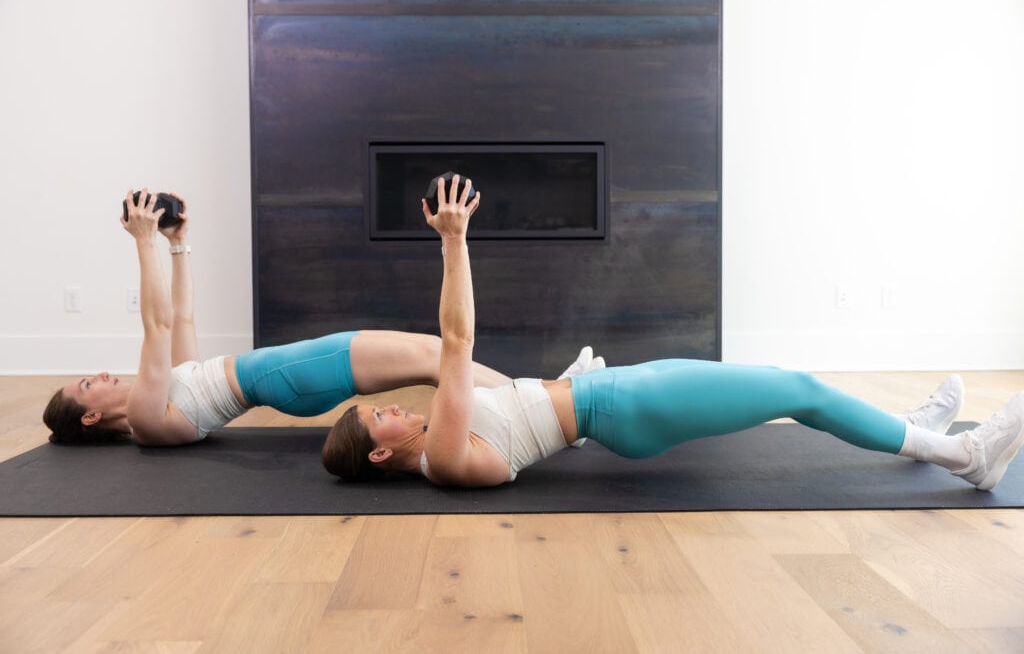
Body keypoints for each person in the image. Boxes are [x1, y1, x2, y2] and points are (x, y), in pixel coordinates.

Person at [321, 174, 1024, 491]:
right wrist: (453, 241)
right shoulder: (439, 456)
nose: (392, 406)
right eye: (377, 416)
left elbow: (519, 427)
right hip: (625, 406)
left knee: (790, 387)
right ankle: (962, 454)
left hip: (606, 398)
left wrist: (565, 381)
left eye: (380, 404)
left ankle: (904, 427)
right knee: (798, 388)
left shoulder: (446, 445)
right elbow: (456, 340)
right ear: (381, 455)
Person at [42, 189, 591, 446]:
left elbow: (180, 323)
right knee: (433, 354)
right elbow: (156, 326)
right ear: (89, 417)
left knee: (433, 359)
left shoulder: (162, 400)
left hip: (286, 377)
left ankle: (552, 400)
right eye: (89, 385)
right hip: (290, 373)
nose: (104, 375)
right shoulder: (144, 416)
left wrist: (177, 246)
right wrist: (141, 242)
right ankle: (556, 399)